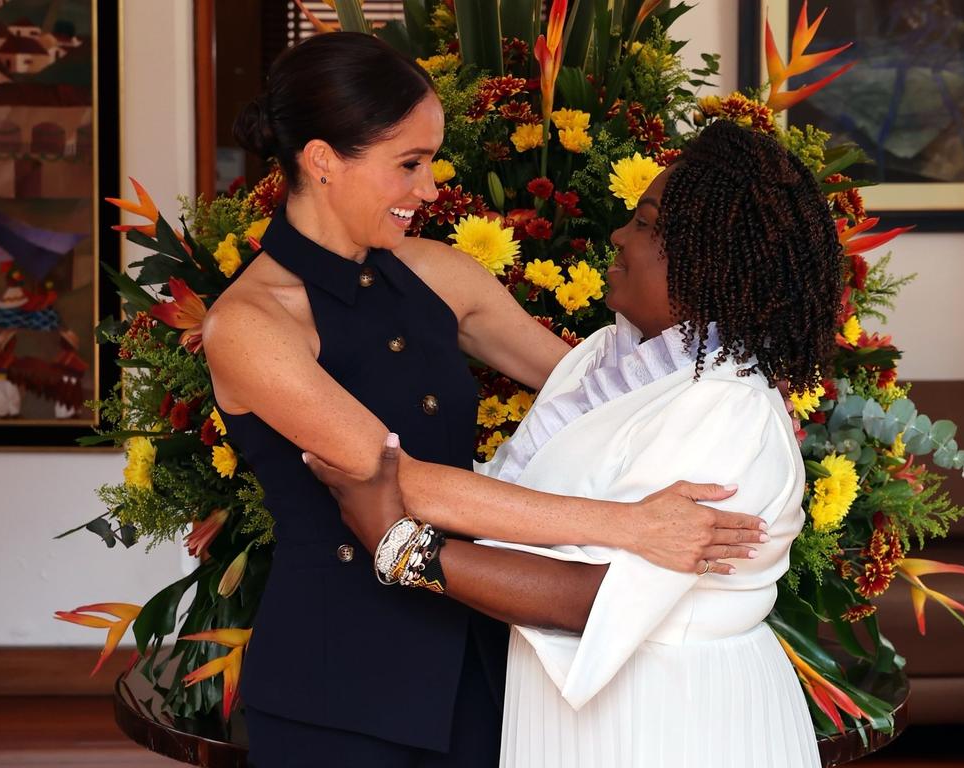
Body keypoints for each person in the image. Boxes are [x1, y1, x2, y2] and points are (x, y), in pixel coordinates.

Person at [203, 33, 767, 766]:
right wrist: (632, 527)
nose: (431, 189)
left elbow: (606, 390)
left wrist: (742, 385)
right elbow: (400, 481)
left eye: (431, 162)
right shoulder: (248, 325)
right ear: (321, 161)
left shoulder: (438, 271)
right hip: (339, 682)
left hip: (482, 660)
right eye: (408, 164)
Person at [306, 119, 843, 767]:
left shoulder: (727, 410)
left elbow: (594, 599)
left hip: (674, 720)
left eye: (644, 222)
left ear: (704, 259)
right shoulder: (603, 359)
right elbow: (516, 501)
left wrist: (400, 545)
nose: (619, 234)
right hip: (576, 705)